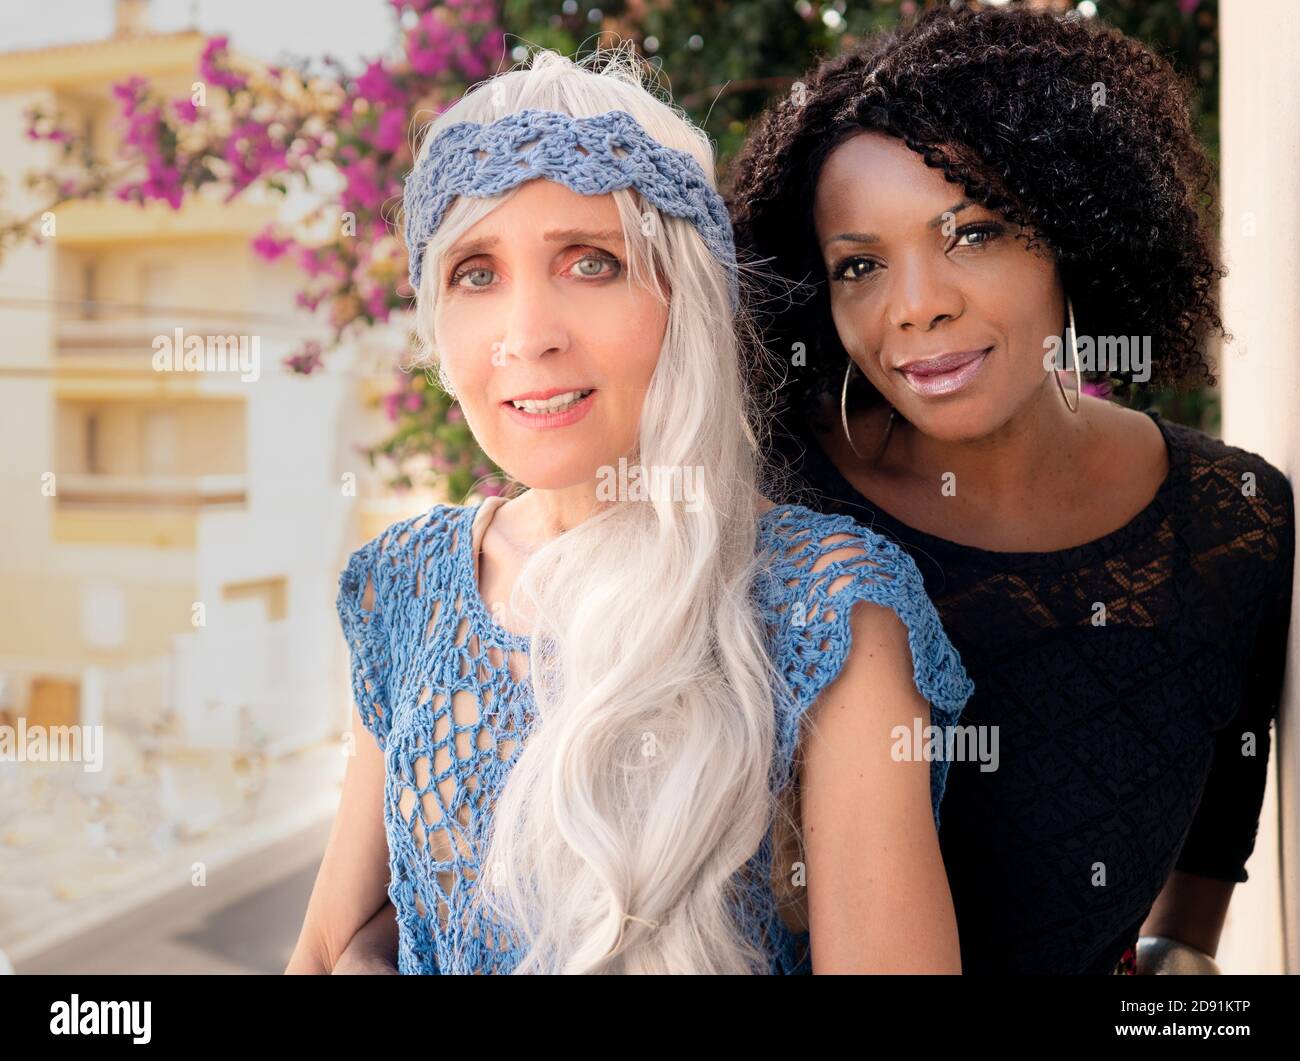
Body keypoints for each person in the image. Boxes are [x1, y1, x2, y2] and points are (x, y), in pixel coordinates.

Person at [286, 44, 973, 976]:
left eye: (591, 262)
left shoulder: (829, 606)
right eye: (476, 273)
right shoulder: (401, 585)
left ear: (686, 299)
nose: (528, 336)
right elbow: (326, 945)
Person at [726, 5, 1295, 975]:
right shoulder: (764, 495)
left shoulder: (1232, 520)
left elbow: (1208, 855)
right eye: (860, 264)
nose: (917, 305)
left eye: (973, 233)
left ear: (1075, 230)